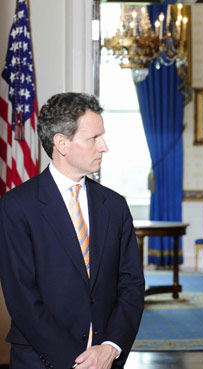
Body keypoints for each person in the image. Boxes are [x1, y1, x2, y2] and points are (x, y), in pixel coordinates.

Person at [0, 93, 145, 368]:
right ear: (62, 143)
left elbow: (132, 285)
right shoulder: (16, 206)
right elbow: (22, 298)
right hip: (41, 360)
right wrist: (75, 361)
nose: (104, 147)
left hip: (106, 360)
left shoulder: (114, 205)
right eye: (94, 138)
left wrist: (111, 347)